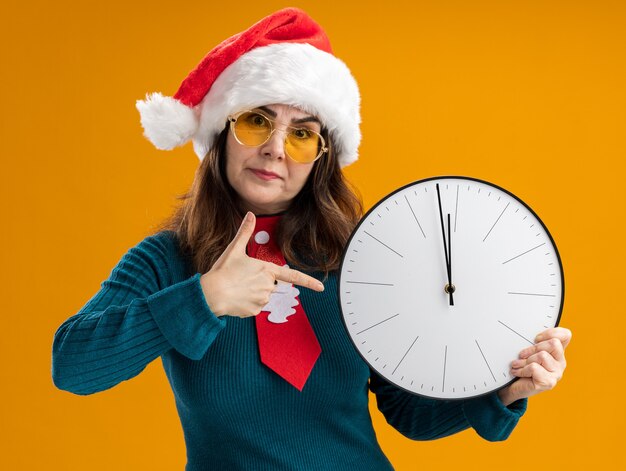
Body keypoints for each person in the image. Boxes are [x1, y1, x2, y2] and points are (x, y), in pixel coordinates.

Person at [52, 7, 571, 470]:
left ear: (321, 155)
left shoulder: (360, 259)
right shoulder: (168, 260)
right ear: (219, 135)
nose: (276, 148)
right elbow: (73, 365)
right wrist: (204, 298)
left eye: (302, 132)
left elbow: (408, 412)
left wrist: (505, 390)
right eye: (257, 121)